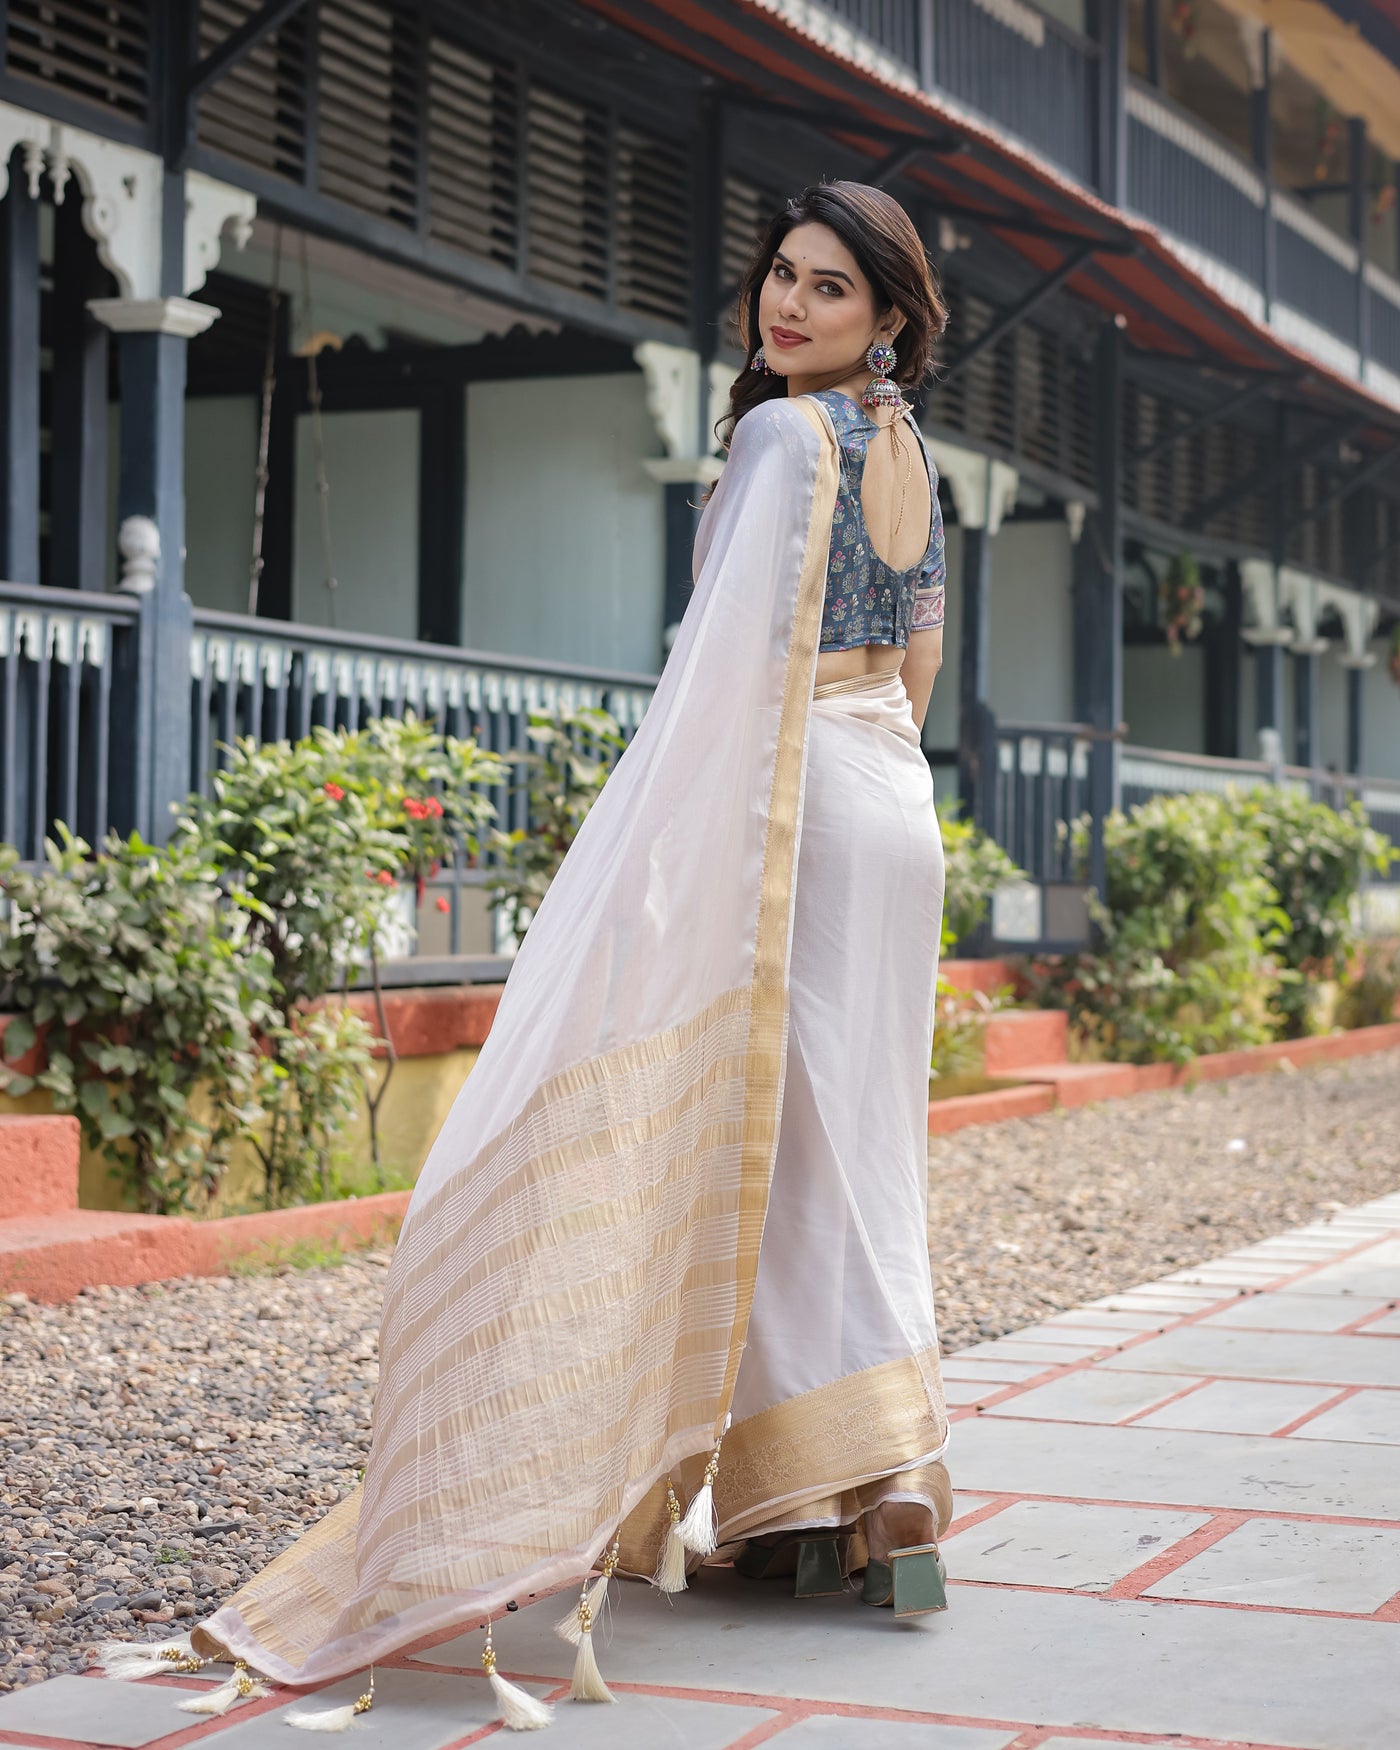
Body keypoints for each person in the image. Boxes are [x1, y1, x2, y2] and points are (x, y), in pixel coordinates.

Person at [105, 180, 952, 1732]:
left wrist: (645, 862)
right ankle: (865, 1485)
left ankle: (832, 1488)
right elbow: (919, 663)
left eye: (831, 290)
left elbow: (720, 667)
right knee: (850, 1137)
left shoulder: (777, 439)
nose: (790, 305)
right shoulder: (902, 448)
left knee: (784, 1144)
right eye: (781, 273)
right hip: (895, 798)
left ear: (888, 314)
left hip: (809, 806)